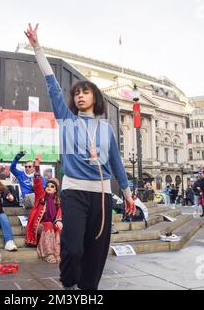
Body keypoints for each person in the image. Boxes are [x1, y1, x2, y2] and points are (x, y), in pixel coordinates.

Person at [25, 23, 136, 290]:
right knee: (73, 248)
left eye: (85, 92)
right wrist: (38, 48)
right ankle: (69, 283)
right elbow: (52, 85)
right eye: (76, 93)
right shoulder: (66, 120)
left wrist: (128, 193)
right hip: (74, 192)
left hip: (102, 195)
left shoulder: (106, 129)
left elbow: (117, 164)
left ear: (95, 97)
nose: (80, 96)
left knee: (97, 253)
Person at [25, 154, 62, 263]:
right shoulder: (41, 196)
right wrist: (37, 166)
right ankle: (48, 253)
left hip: (51, 226)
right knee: (48, 224)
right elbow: (37, 183)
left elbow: (60, 213)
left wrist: (59, 221)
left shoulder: (58, 201)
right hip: (39, 226)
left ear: (55, 190)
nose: (49, 188)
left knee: (58, 228)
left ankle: (57, 253)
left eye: (52, 187)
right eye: (48, 186)